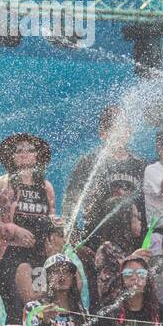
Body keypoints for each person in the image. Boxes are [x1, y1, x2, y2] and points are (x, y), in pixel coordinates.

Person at [0, 132, 60, 323]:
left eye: (30, 150)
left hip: (40, 257)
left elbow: (51, 220)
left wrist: (55, 243)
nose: (24, 154)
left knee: (40, 307)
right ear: (12, 156)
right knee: (18, 309)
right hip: (10, 256)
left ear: (37, 156)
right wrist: (13, 230)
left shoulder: (46, 187)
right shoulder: (0, 185)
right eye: (19, 151)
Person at [64, 105, 147, 246]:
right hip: (96, 236)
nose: (119, 132)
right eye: (112, 128)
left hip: (135, 240)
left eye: (123, 127)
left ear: (130, 131)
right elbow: (71, 202)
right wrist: (74, 237)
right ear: (102, 133)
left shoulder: (140, 164)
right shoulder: (88, 162)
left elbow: (148, 204)